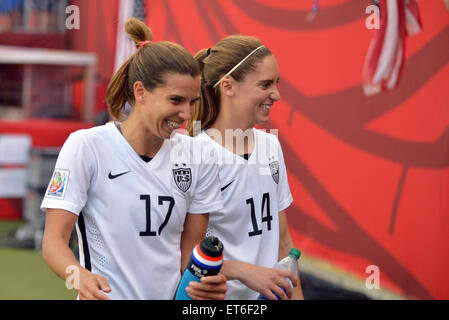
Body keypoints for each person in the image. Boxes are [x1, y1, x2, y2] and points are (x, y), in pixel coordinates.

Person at [40, 17, 227, 300]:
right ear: (140, 92)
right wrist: (79, 277)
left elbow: (189, 254)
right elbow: (53, 243)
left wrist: (203, 285)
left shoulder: (199, 155)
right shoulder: (87, 147)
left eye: (193, 102)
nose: (187, 114)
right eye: (176, 100)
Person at [188, 35, 304, 300]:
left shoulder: (270, 146)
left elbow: (284, 245)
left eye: (276, 83)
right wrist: (245, 272)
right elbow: (185, 257)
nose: (276, 94)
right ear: (228, 86)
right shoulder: (195, 154)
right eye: (265, 84)